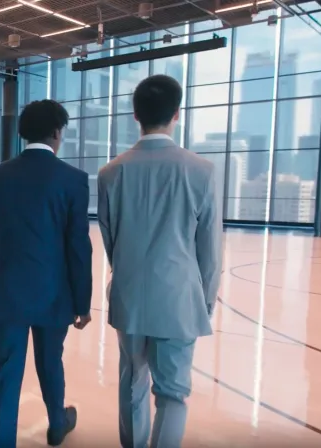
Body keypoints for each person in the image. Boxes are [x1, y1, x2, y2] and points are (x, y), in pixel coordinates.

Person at [96, 74, 223, 448]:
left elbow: (110, 238)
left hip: (129, 294)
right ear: (177, 114)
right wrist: (206, 302)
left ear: (136, 115)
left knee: (132, 382)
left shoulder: (110, 173)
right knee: (171, 394)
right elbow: (210, 251)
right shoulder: (201, 171)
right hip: (179, 300)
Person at [0, 99, 92, 447]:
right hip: (55, 292)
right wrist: (82, 301)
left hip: (8, 289)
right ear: (57, 133)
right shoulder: (73, 180)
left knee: (7, 370)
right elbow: (78, 247)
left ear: (23, 132)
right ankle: (57, 425)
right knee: (50, 360)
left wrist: (4, 268)